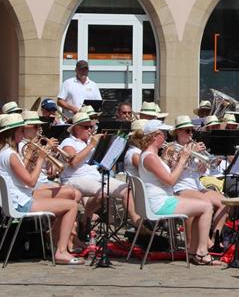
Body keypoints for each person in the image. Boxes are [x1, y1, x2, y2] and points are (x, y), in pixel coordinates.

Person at [0, 114, 83, 264]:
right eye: (21, 131)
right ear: (13, 132)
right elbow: (31, 181)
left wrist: (31, 155)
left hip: (18, 197)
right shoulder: (11, 155)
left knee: (67, 195)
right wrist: (41, 158)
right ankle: (61, 251)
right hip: (20, 202)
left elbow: (23, 178)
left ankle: (55, 239)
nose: (23, 134)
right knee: (72, 206)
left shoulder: (2, 152)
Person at [138, 119, 219, 264]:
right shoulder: (150, 157)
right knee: (207, 207)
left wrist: (173, 160)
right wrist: (183, 159)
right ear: (155, 136)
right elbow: (170, 181)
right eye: (163, 133)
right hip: (159, 203)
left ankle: (193, 251)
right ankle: (202, 252)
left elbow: (167, 176)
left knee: (201, 206)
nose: (166, 137)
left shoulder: (152, 155)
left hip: (162, 199)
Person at [59, 112, 139, 228]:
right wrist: (91, 145)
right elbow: (73, 162)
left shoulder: (89, 141)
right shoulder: (68, 142)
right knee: (102, 192)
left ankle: (139, 226)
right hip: (75, 177)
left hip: (94, 175)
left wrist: (106, 144)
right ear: (76, 128)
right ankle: (86, 217)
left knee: (127, 189)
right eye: (86, 127)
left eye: (91, 127)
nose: (90, 130)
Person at [169, 115, 229, 240]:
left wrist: (204, 164)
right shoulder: (172, 148)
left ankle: (215, 238)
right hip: (181, 187)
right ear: (178, 131)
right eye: (188, 131)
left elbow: (200, 172)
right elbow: (174, 170)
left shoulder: (193, 146)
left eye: (192, 130)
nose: (191, 134)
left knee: (225, 203)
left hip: (197, 186)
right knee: (205, 203)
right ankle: (201, 242)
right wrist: (191, 153)